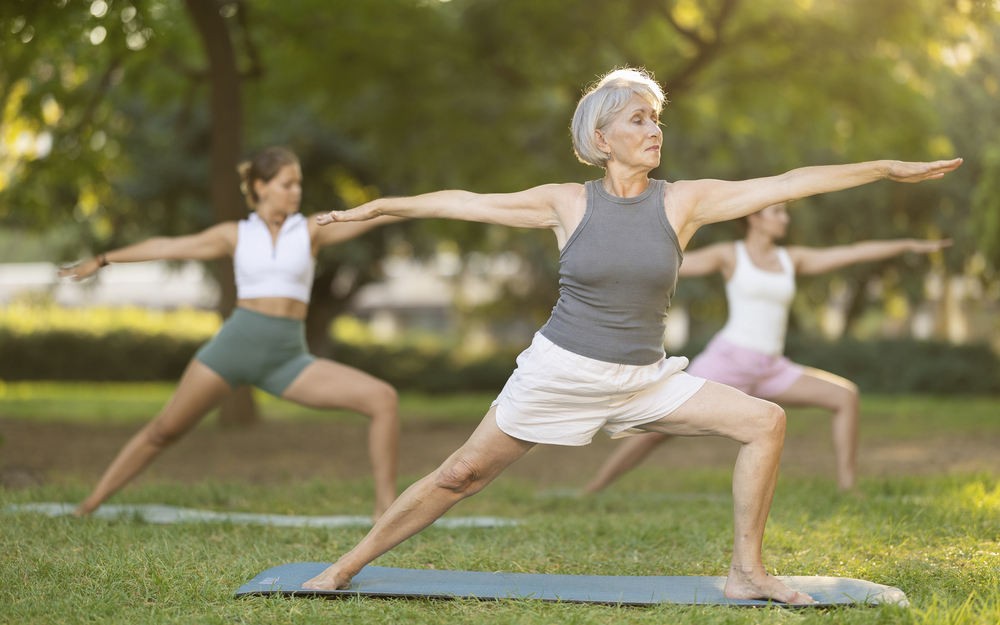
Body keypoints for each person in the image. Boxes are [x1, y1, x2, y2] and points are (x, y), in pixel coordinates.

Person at [300, 68, 961, 603]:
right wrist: (376, 208)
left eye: (657, 118)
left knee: (765, 420)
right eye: (639, 118)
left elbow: (786, 183)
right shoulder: (565, 202)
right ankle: (344, 566)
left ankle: (746, 571)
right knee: (460, 473)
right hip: (561, 370)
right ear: (601, 135)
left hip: (644, 378)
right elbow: (457, 200)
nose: (654, 129)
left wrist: (881, 167)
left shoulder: (684, 201)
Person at [60, 147, 403, 521]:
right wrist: (103, 259)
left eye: (299, 184)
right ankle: (89, 505)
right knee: (163, 431)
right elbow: (165, 246)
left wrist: (425, 204)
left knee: (382, 399)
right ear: (261, 186)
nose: (296, 191)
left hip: (286, 359)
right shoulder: (235, 235)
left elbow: (376, 214)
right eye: (287, 184)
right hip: (235, 347)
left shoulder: (309, 230)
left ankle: (385, 513)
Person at [584, 202, 951, 494]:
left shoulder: (792, 259)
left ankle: (847, 488)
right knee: (657, 429)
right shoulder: (731, 255)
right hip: (727, 363)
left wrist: (907, 245)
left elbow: (852, 252)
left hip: (772, 368)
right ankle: (595, 488)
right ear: (755, 218)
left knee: (846, 397)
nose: (785, 218)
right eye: (777, 211)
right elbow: (671, 265)